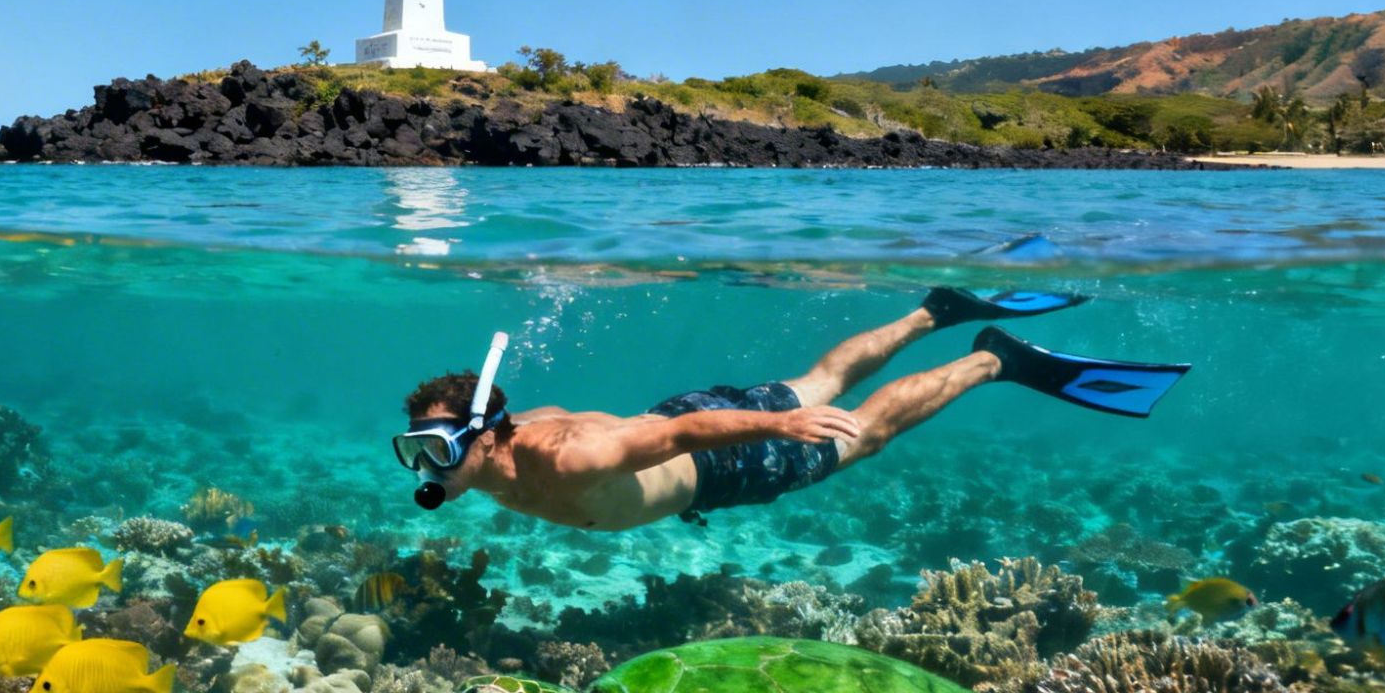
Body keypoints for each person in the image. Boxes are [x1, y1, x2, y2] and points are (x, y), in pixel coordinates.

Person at [392, 288, 1189, 531]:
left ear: (482, 434)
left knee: (862, 433)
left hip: (720, 454)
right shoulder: (499, 449)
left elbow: (674, 433)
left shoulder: (562, 455)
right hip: (688, 424)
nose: (424, 466)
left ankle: (991, 359)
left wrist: (775, 429)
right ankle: (927, 314)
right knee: (817, 377)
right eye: (414, 450)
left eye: (432, 447)